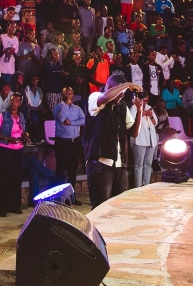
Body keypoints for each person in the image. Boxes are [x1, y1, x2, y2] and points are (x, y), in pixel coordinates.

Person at [85, 72, 144, 208]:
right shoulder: (95, 97)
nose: (123, 95)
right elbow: (105, 97)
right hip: (100, 164)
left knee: (118, 208)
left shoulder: (122, 106)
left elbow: (134, 133)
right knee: (100, 208)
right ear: (110, 87)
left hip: (119, 165)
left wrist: (139, 111)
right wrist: (128, 84)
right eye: (120, 91)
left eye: (124, 92)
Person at [0, 92, 27, 216]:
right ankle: (2, 208)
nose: (14, 103)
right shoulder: (3, 115)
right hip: (5, 147)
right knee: (6, 177)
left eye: (16, 101)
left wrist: (26, 136)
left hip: (18, 148)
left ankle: (15, 206)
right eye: (12, 101)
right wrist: (7, 138)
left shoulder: (21, 116)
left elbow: (23, 131)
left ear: (19, 104)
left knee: (17, 177)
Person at [52, 86, 84, 197]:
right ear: (62, 95)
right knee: (61, 168)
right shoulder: (58, 107)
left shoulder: (77, 108)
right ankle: (58, 196)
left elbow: (84, 120)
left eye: (71, 93)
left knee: (73, 168)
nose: (69, 95)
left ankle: (71, 197)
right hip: (62, 141)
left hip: (75, 141)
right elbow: (60, 119)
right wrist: (66, 105)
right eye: (67, 93)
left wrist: (71, 123)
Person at [131, 87, 158, 187]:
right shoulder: (134, 108)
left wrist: (150, 115)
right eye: (142, 100)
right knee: (139, 165)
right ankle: (137, 186)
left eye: (146, 100)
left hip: (151, 140)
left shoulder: (149, 108)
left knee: (148, 164)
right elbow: (131, 122)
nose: (144, 102)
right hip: (139, 140)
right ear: (138, 99)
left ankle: (146, 185)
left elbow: (155, 123)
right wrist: (143, 114)